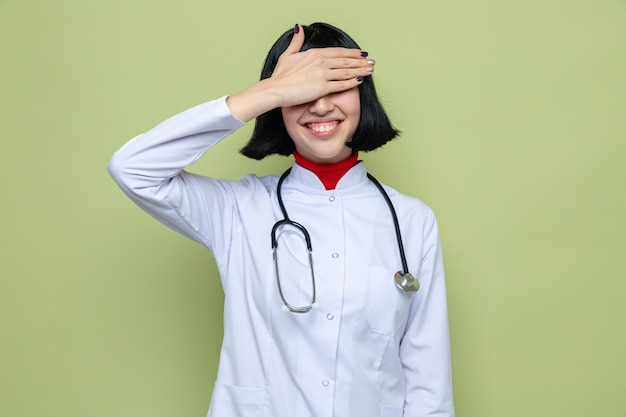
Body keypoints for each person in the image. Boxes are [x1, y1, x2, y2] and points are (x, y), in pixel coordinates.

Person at [108, 22, 455, 417]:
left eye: (336, 86)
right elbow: (132, 168)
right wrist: (269, 91)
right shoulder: (238, 210)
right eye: (304, 89)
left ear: (363, 96)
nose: (321, 106)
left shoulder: (411, 220)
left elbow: (429, 384)